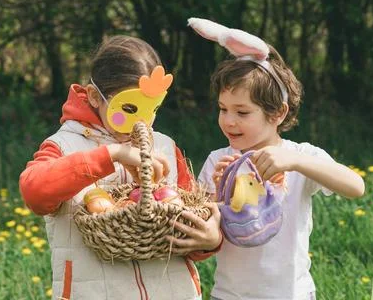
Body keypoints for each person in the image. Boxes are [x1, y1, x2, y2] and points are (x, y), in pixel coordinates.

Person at [170, 18, 365, 300]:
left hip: (291, 293)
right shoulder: (218, 161)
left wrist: (295, 161)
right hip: (230, 294)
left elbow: (356, 187)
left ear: (278, 113)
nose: (228, 121)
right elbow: (207, 224)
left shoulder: (300, 157)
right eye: (223, 109)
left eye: (242, 112)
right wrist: (218, 192)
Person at [19, 35, 222, 300]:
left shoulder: (165, 148)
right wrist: (111, 155)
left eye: (152, 108)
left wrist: (209, 240)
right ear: (94, 96)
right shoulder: (64, 146)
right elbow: (35, 193)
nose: (142, 120)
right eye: (128, 107)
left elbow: (188, 222)